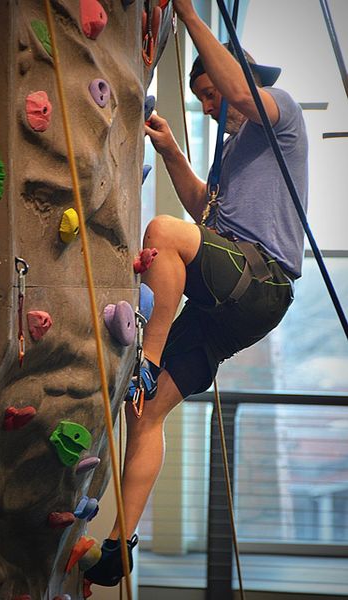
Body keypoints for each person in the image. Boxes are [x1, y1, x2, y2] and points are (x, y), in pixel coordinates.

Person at [85, 0, 308, 588]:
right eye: (203, 98)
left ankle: (148, 359)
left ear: (242, 77)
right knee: (147, 412)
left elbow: (239, 92)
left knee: (160, 236)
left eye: (212, 94)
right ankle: (120, 542)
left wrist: (187, 12)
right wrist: (170, 151)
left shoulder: (279, 115)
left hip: (261, 279)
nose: (211, 107)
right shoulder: (238, 152)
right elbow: (205, 211)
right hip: (232, 298)